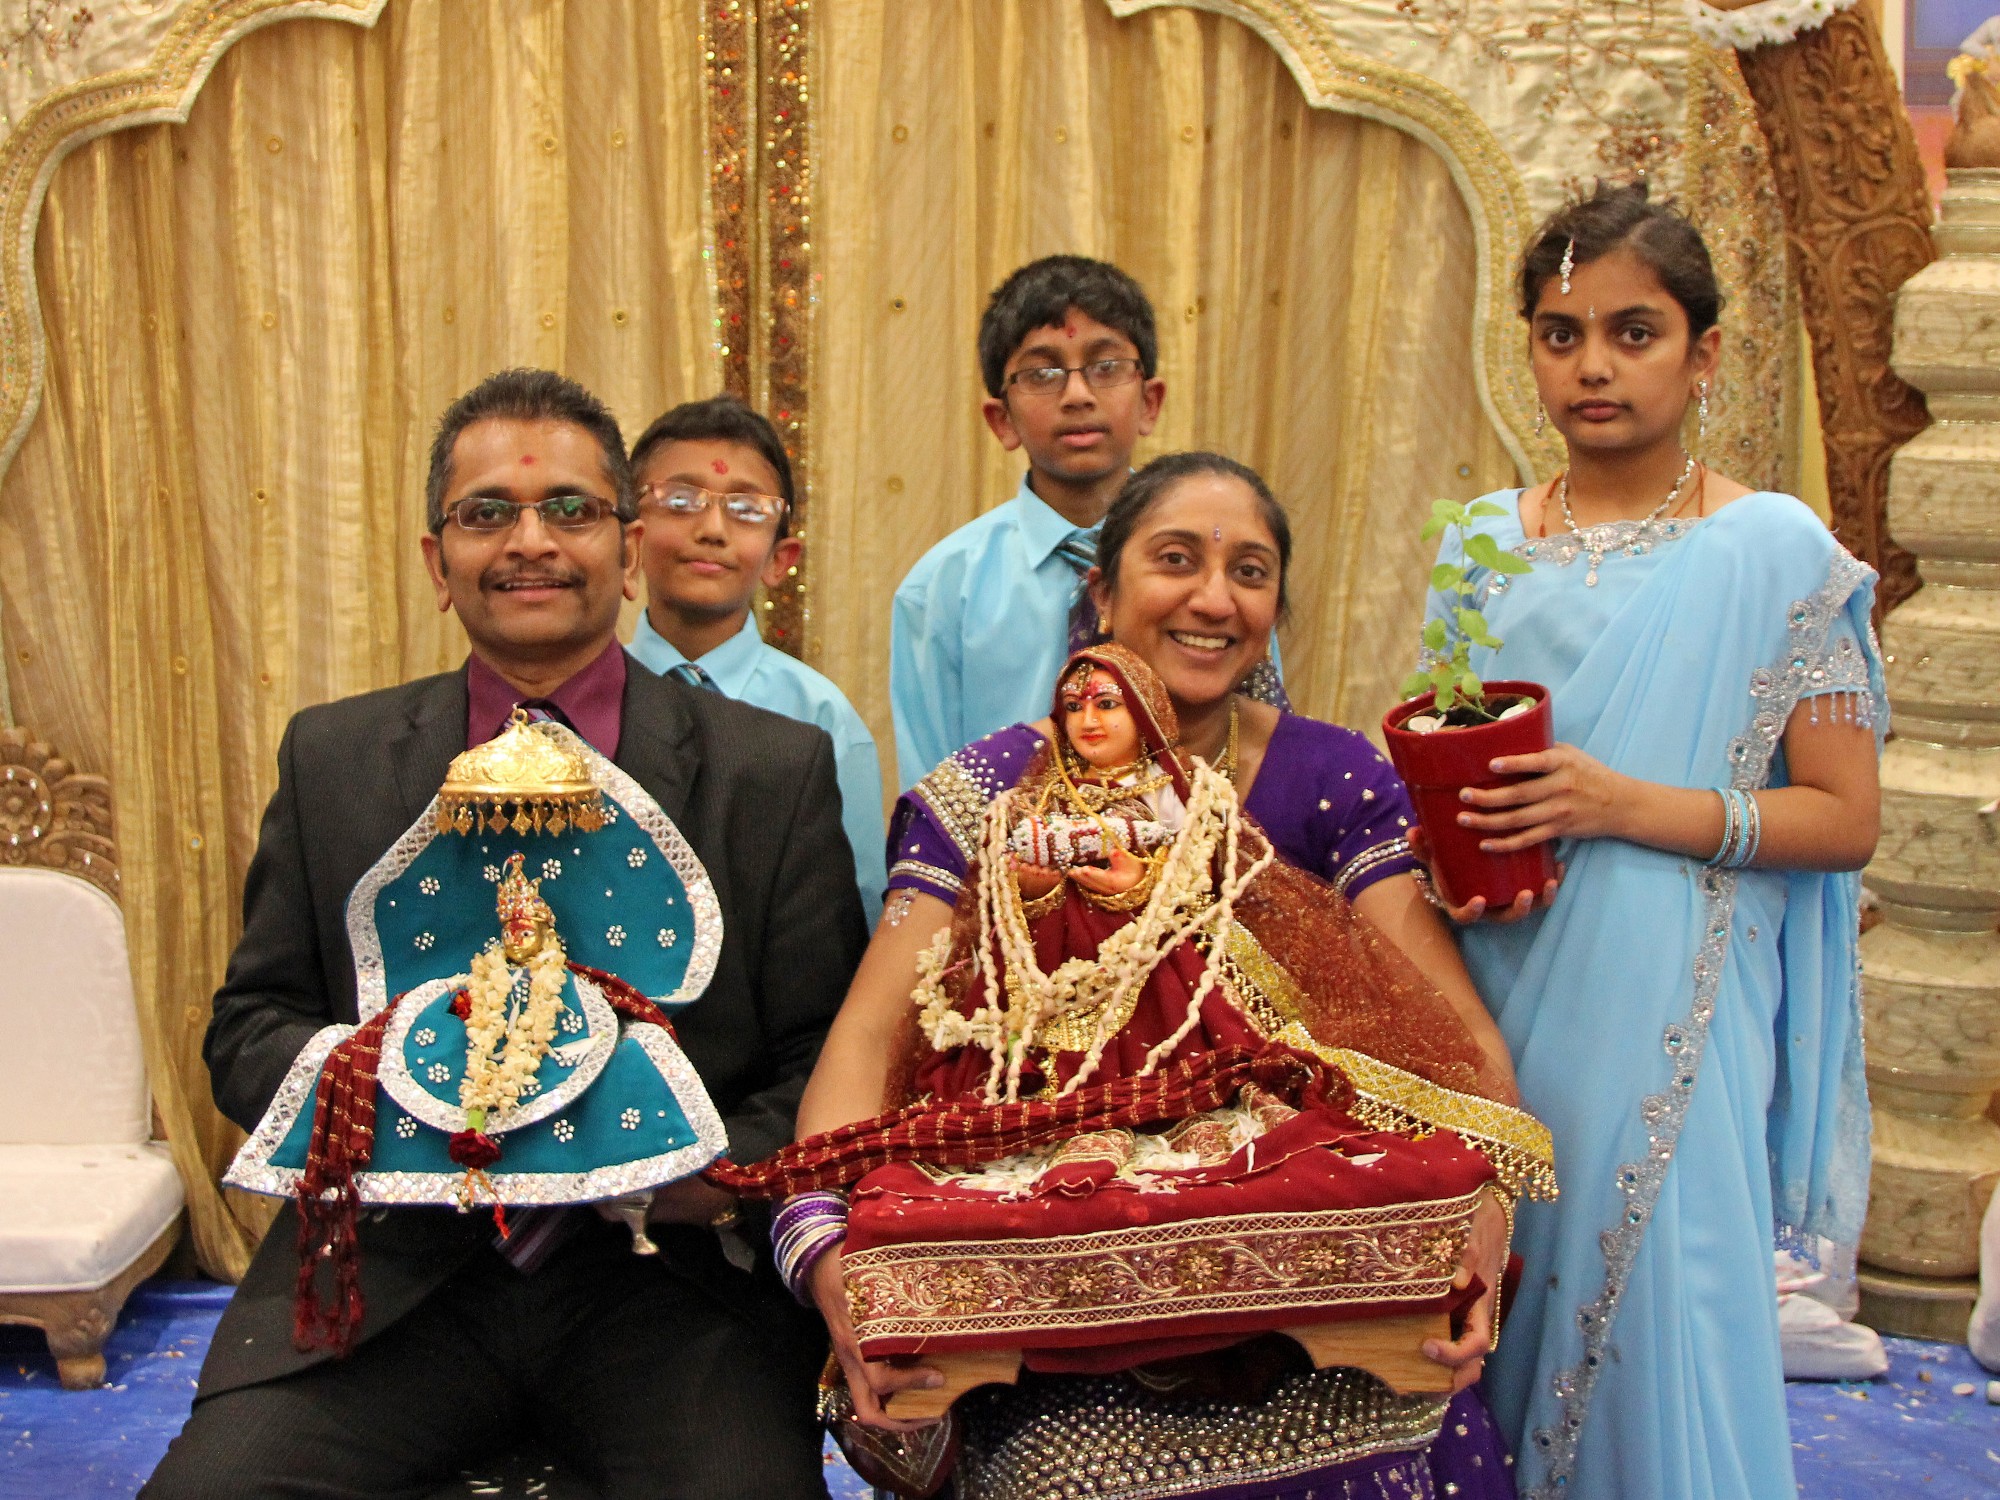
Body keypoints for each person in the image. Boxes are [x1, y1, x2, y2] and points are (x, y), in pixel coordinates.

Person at [143, 368, 867, 1500]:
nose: (530, 542)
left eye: (570, 509)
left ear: (628, 552)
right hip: (386, 1289)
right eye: (487, 514)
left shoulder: (767, 773)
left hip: (667, 1295)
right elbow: (248, 1028)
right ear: (438, 563)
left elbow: (826, 1065)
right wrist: (403, 1094)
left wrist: (689, 1172)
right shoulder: (335, 760)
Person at [774, 452, 1534, 1500]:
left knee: (1418, 1427)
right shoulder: (993, 790)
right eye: (1175, 560)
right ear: (1102, 592)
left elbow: (1455, 1039)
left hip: (1316, 1296)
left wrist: (1478, 1224)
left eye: (1250, 570)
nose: (1213, 598)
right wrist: (826, 1260)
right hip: (1059, 1306)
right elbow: (864, 1051)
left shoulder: (1330, 779)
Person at [1419, 182, 1884, 1499]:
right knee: (1504, 1285)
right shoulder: (1476, 549)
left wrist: (1625, 806)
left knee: (1660, 1297)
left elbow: (1844, 818)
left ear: (1705, 353)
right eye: (1561, 333)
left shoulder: (1773, 547)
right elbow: (1445, 767)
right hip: (1501, 977)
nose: (1595, 365)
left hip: (1679, 986)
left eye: (1635, 331)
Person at [887, 255, 1166, 788]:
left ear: (1149, 402)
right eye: (1044, 373)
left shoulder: (1207, 571)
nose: (1078, 395)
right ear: (1002, 419)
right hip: (1000, 865)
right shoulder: (941, 590)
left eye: (1106, 367)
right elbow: (931, 795)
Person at [626, 393, 887, 922]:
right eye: (680, 501)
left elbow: (857, 913)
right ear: (628, 536)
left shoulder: (820, 718)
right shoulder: (582, 705)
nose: (713, 530)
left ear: (779, 559)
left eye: (746, 510)